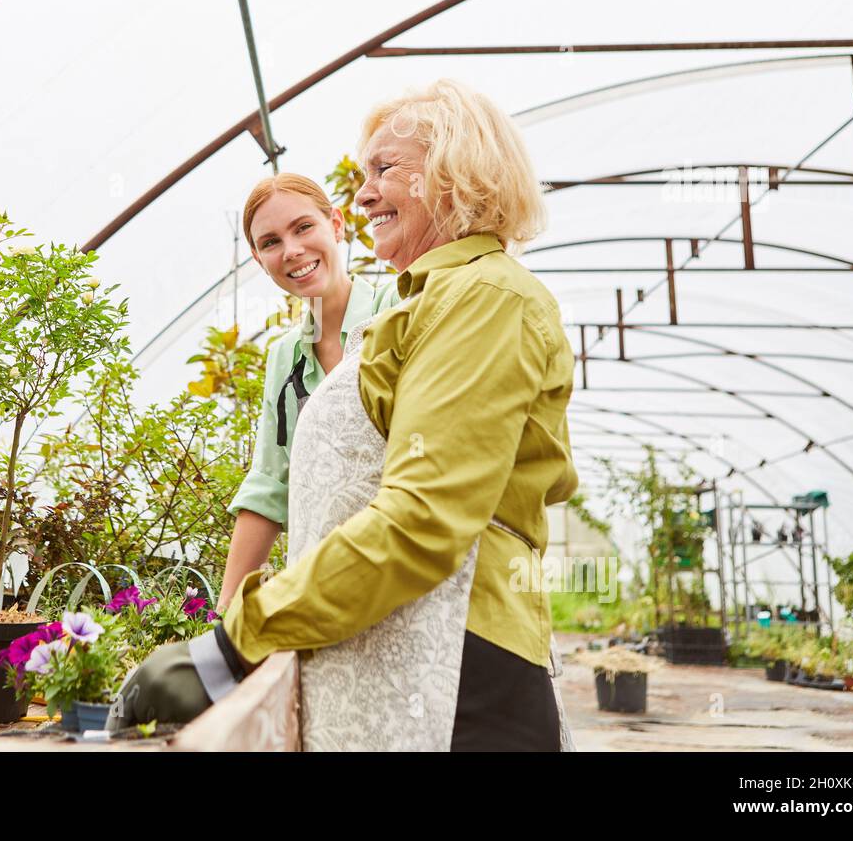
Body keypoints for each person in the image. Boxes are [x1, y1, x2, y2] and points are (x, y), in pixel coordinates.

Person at [110, 80, 579, 751]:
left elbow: (422, 521)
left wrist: (228, 647)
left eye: (383, 170)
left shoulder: (484, 298)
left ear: (454, 172)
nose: (361, 196)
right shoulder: (426, 303)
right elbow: (272, 493)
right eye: (363, 175)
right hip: (397, 648)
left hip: (458, 669)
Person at [215, 172, 401, 614]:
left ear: (336, 225)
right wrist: (222, 616)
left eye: (303, 228)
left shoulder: (396, 307)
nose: (292, 251)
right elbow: (270, 483)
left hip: (402, 565)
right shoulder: (285, 359)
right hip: (325, 588)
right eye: (271, 242)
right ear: (260, 260)